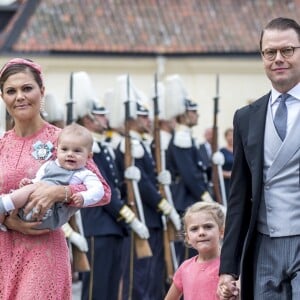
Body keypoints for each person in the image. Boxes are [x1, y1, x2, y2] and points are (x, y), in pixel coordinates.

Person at [0, 57, 111, 300]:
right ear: (3, 97)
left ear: (42, 91)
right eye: (11, 91)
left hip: (44, 252)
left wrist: (61, 192)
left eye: (27, 88)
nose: (19, 96)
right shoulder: (1, 145)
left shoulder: (65, 141)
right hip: (3, 251)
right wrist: (8, 222)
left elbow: (103, 192)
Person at [217, 17, 300, 300]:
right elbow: (239, 195)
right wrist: (228, 266)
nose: (278, 59)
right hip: (264, 245)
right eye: (270, 52)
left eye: (288, 50)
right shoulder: (246, 117)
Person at [76, 100, 149, 300]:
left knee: (111, 286)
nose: (105, 119)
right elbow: (104, 191)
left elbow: (115, 186)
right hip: (97, 224)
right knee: (96, 288)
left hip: (112, 226)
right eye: (100, 115)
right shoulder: (88, 149)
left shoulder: (104, 147)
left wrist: (130, 179)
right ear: (88, 119)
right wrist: (129, 217)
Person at [0, 123, 104, 229]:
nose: (70, 154)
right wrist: (30, 182)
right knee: (32, 187)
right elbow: (38, 179)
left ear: (89, 156)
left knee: (34, 187)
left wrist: (83, 197)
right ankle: (4, 212)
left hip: (51, 213)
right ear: (57, 150)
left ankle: (3, 205)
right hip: (26, 210)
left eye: (77, 151)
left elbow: (100, 190)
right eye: (64, 149)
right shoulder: (50, 165)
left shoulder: (85, 173)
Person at [164, 201, 226, 300]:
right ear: (188, 237)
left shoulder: (230, 265)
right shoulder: (185, 268)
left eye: (208, 227)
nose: (201, 232)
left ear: (221, 231)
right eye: (194, 229)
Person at [219, 128, 233, 200]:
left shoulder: (240, 150)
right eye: (229, 135)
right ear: (225, 137)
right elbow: (217, 170)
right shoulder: (221, 151)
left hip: (239, 182)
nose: (231, 137)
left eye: (233, 135)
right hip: (227, 183)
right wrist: (229, 174)